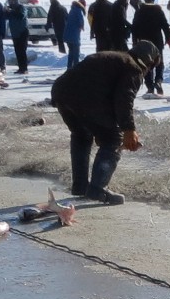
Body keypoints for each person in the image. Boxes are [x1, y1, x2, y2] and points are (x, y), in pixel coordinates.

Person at [51, 40, 148, 203]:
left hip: (61, 91)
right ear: (148, 61)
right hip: (84, 97)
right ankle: (97, 190)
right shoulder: (133, 68)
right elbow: (124, 100)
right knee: (113, 140)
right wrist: (128, 129)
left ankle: (80, 186)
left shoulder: (118, 60)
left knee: (81, 135)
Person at [130, 0, 170, 93]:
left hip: (144, 41)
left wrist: (134, 41)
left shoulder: (140, 11)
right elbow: (165, 25)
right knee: (159, 61)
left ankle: (150, 86)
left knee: (146, 63)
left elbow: (134, 27)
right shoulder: (158, 10)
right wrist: (168, 38)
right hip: (157, 40)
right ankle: (158, 81)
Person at [5, 0, 31, 74]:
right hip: (15, 33)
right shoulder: (10, 9)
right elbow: (5, 17)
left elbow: (21, 16)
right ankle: (20, 67)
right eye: (9, 0)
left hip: (22, 32)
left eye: (12, 0)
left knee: (22, 51)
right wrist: (6, 11)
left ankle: (24, 68)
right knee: (17, 51)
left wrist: (11, 11)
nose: (10, 2)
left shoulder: (21, 7)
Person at [64, 0, 86, 69]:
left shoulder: (72, 10)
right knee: (76, 53)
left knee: (71, 53)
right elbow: (80, 21)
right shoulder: (78, 11)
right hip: (74, 36)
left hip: (67, 35)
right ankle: (76, 69)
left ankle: (69, 68)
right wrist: (81, 26)